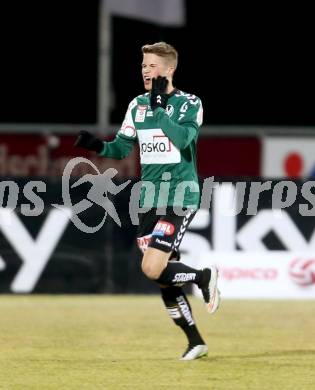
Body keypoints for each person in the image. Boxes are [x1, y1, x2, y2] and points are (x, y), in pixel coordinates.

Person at [74, 41, 220, 360]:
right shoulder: (136, 105)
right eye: (143, 67)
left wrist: (159, 109)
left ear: (169, 70)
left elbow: (183, 139)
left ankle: (203, 276)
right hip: (149, 199)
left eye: (152, 66)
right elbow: (121, 149)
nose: (145, 71)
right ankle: (196, 341)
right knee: (163, 276)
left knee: (152, 267)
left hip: (180, 195)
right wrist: (96, 145)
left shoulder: (188, 103)